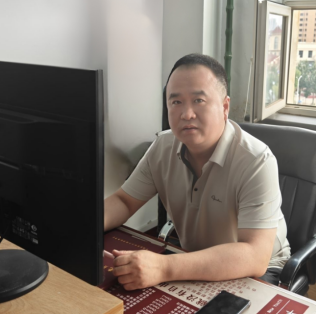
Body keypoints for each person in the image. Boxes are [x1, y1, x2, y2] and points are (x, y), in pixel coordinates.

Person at [103, 54, 290, 290]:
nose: (186, 114)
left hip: (258, 270)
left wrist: (164, 267)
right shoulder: (162, 147)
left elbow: (255, 256)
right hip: (192, 257)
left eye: (198, 100)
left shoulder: (256, 161)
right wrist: (82, 223)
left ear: (224, 107)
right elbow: (124, 201)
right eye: (176, 102)